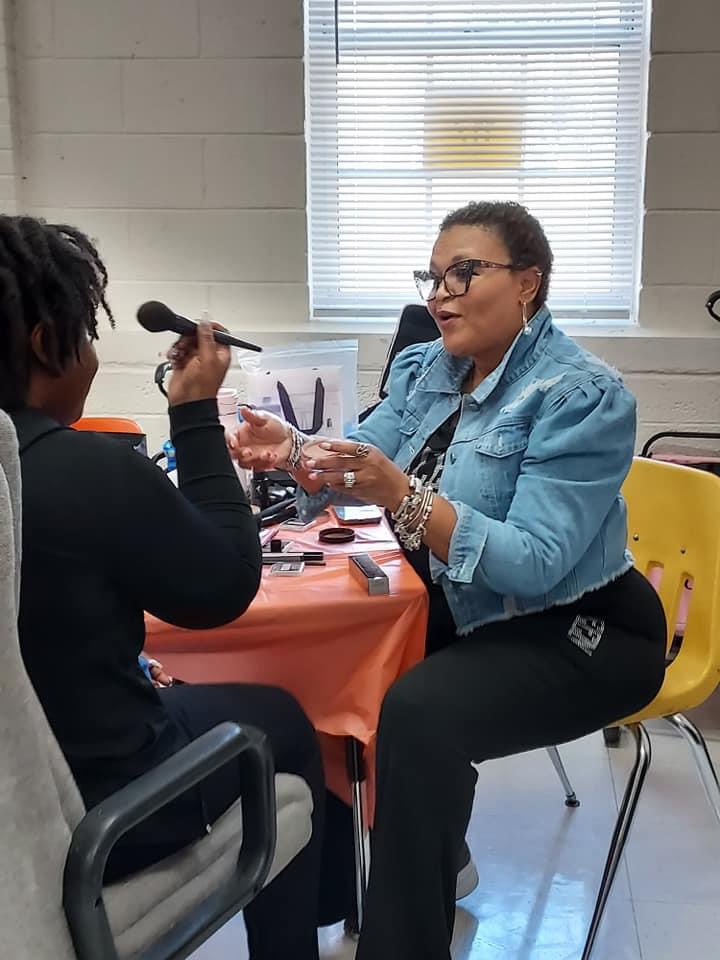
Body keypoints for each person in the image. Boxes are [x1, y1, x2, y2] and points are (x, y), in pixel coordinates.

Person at [228, 200, 668, 960]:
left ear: (529, 282)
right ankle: (363, 885)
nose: (441, 292)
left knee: (421, 711)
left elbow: (535, 561)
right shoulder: (428, 367)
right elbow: (362, 456)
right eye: (434, 276)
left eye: (466, 272)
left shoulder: (580, 394)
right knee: (330, 670)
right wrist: (297, 449)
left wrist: (402, 495)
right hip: (473, 610)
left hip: (583, 627)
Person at [0, 214, 352, 960]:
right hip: (103, 814)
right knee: (281, 720)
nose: (91, 356)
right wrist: (194, 410)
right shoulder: (83, 471)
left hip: (19, 801)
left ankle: (333, 893)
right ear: (43, 342)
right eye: (85, 335)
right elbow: (221, 588)